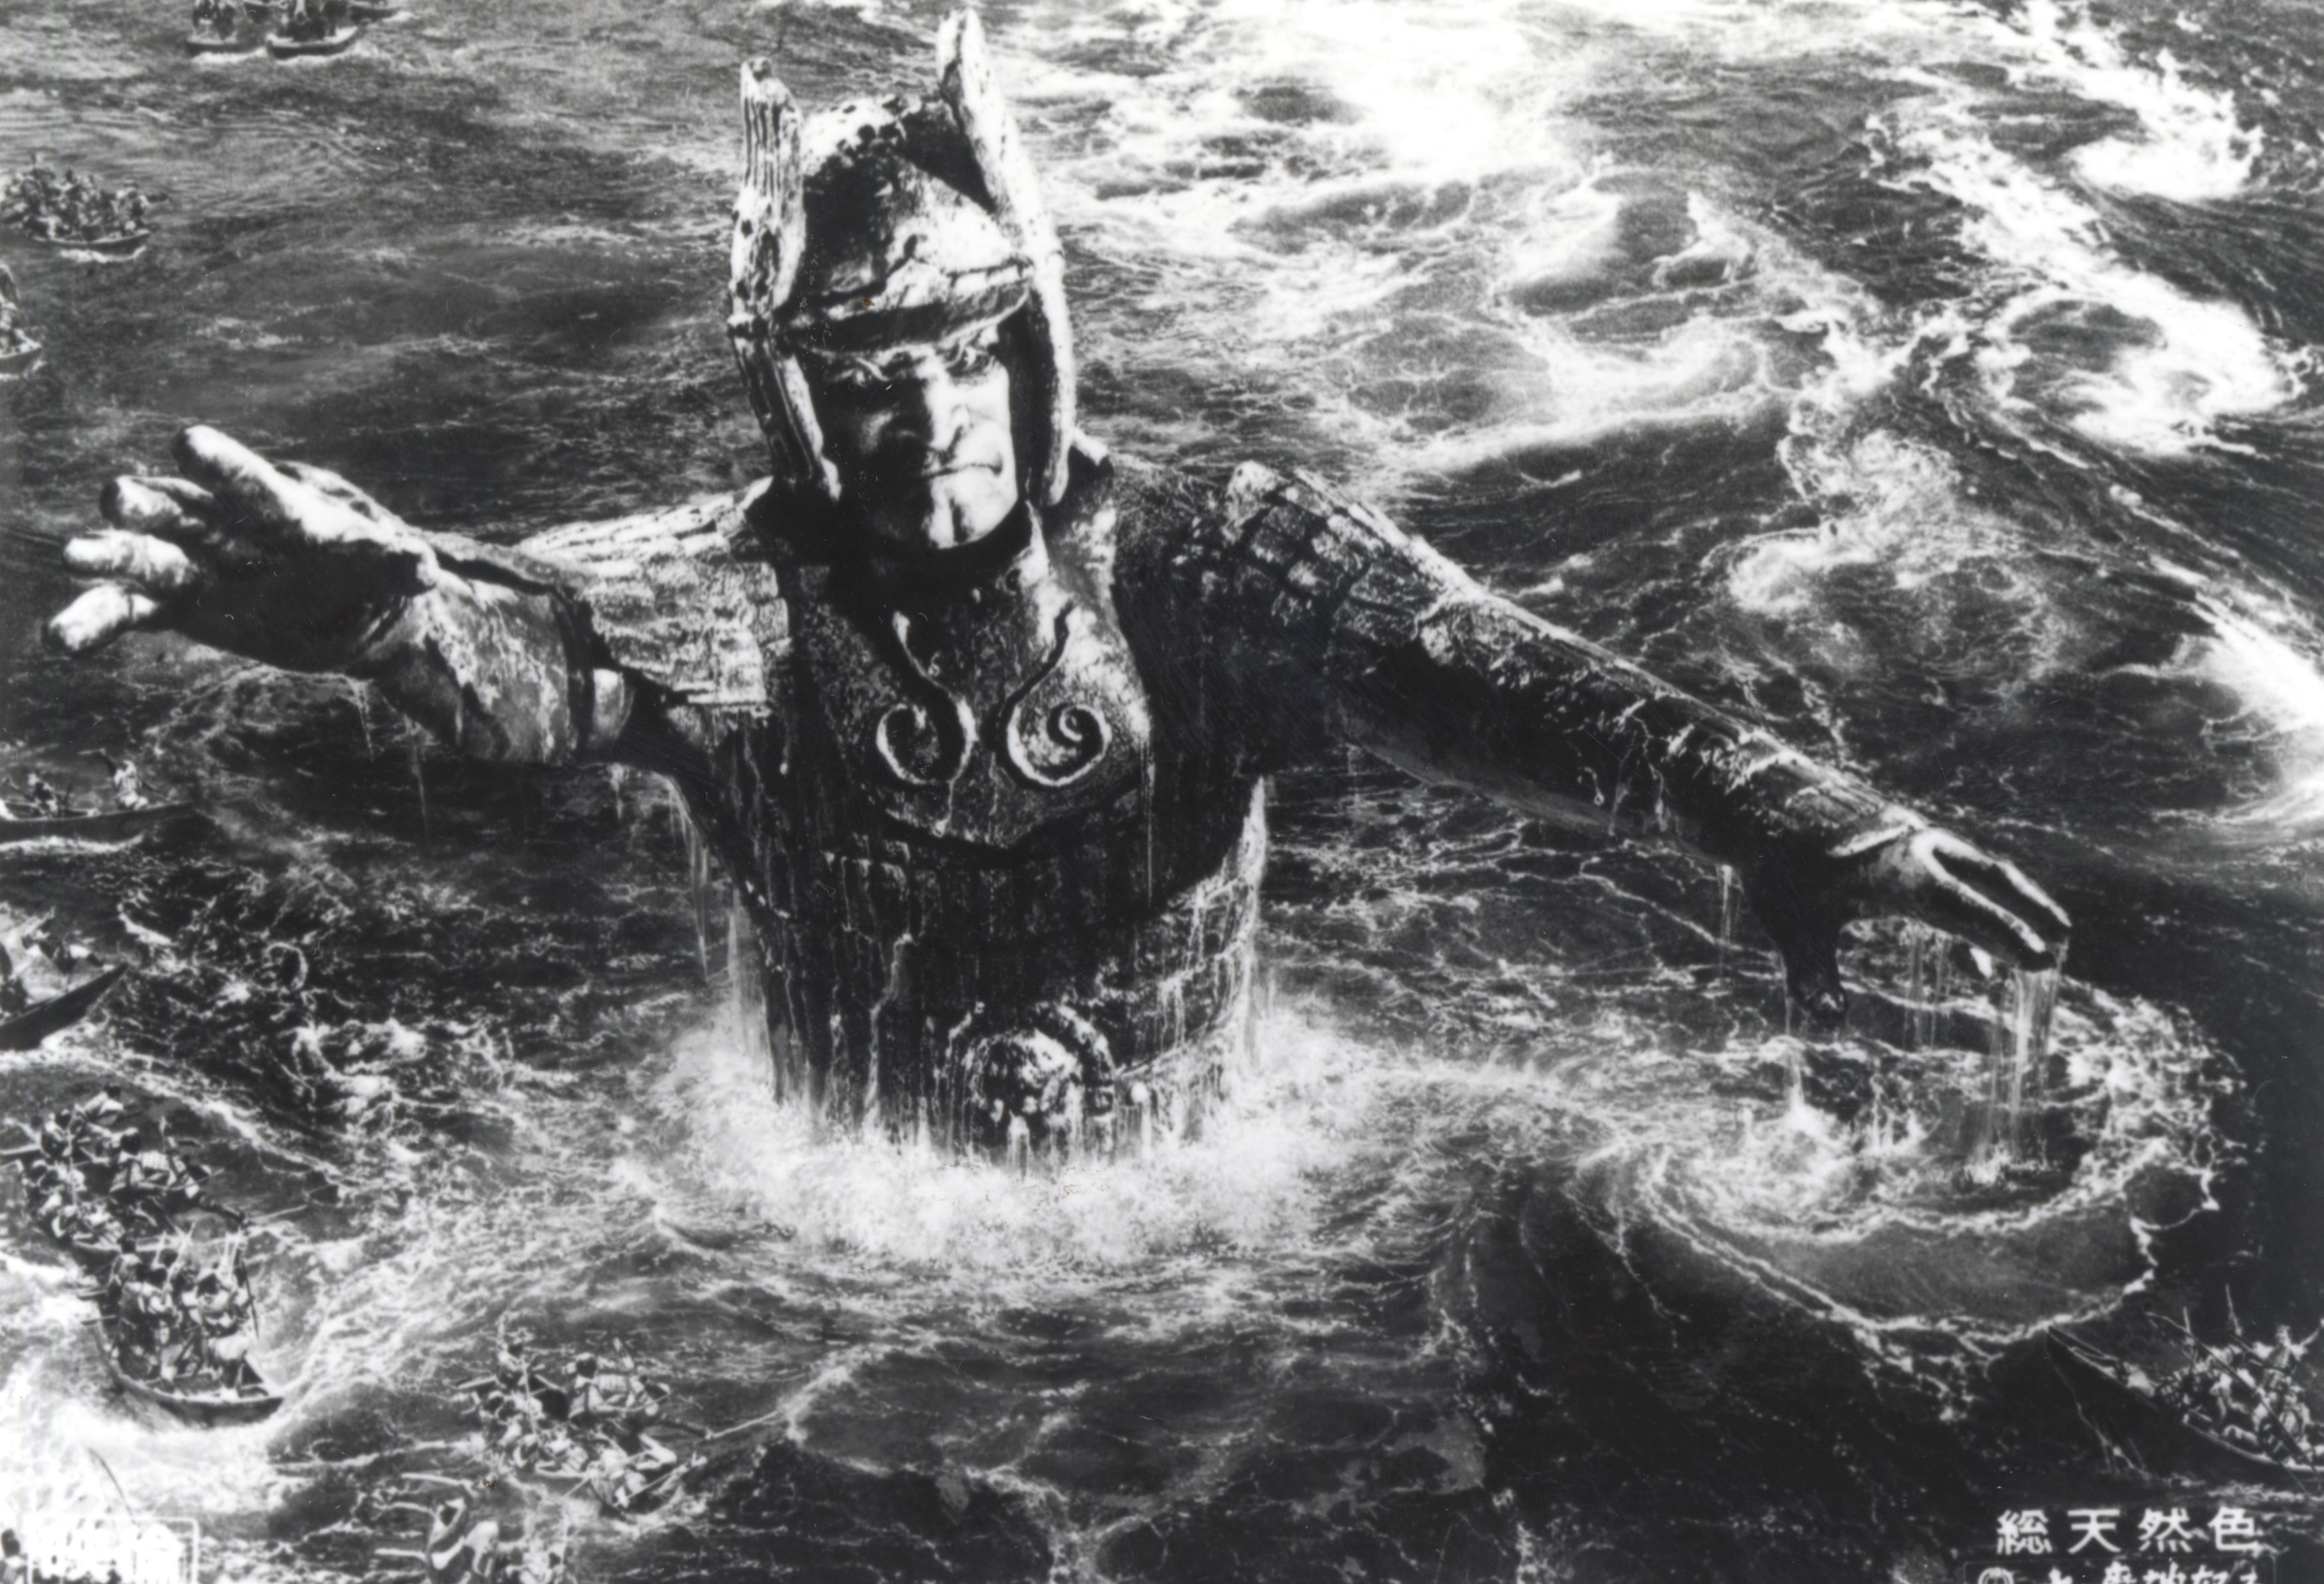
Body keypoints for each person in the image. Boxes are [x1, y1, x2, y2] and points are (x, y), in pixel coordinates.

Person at [45, 11, 2068, 1160]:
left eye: (965, 357)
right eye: (873, 378)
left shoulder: (1212, 566)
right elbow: (547, 666)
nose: (935, 419)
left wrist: (1792, 817)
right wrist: (382, 619)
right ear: (800, 404)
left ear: (1035, 352)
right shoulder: (733, 599)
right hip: (839, 1234)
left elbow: (1508, 684)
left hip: (1193, 1215)